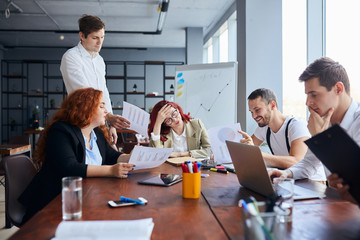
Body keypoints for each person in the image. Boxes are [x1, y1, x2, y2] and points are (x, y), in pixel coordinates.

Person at [18, 88, 134, 224]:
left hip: (87, 196)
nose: (106, 111)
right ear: (86, 107)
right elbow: (69, 167)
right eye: (101, 106)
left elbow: (111, 156)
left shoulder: (96, 132)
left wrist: (130, 157)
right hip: (54, 202)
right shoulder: (60, 130)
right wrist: (111, 170)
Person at [268, 57, 360, 201]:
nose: (307, 103)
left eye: (314, 95)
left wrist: (321, 137)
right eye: (307, 95)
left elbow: (351, 179)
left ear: (338, 89)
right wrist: (286, 173)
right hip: (339, 207)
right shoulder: (325, 122)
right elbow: (309, 162)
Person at [60, 14, 129, 144]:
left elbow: (103, 91)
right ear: (82, 36)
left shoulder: (99, 60)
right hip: (81, 120)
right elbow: (85, 92)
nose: (100, 42)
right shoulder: (71, 57)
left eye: (102, 37)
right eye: (95, 38)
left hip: (100, 120)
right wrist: (108, 117)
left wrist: (111, 124)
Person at [238, 88, 310, 169]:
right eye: (251, 112)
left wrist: (258, 154)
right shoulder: (264, 127)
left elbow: (297, 162)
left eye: (257, 110)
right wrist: (246, 148)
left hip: (310, 180)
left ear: (272, 105)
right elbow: (246, 153)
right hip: (288, 178)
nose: (254, 116)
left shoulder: (296, 125)